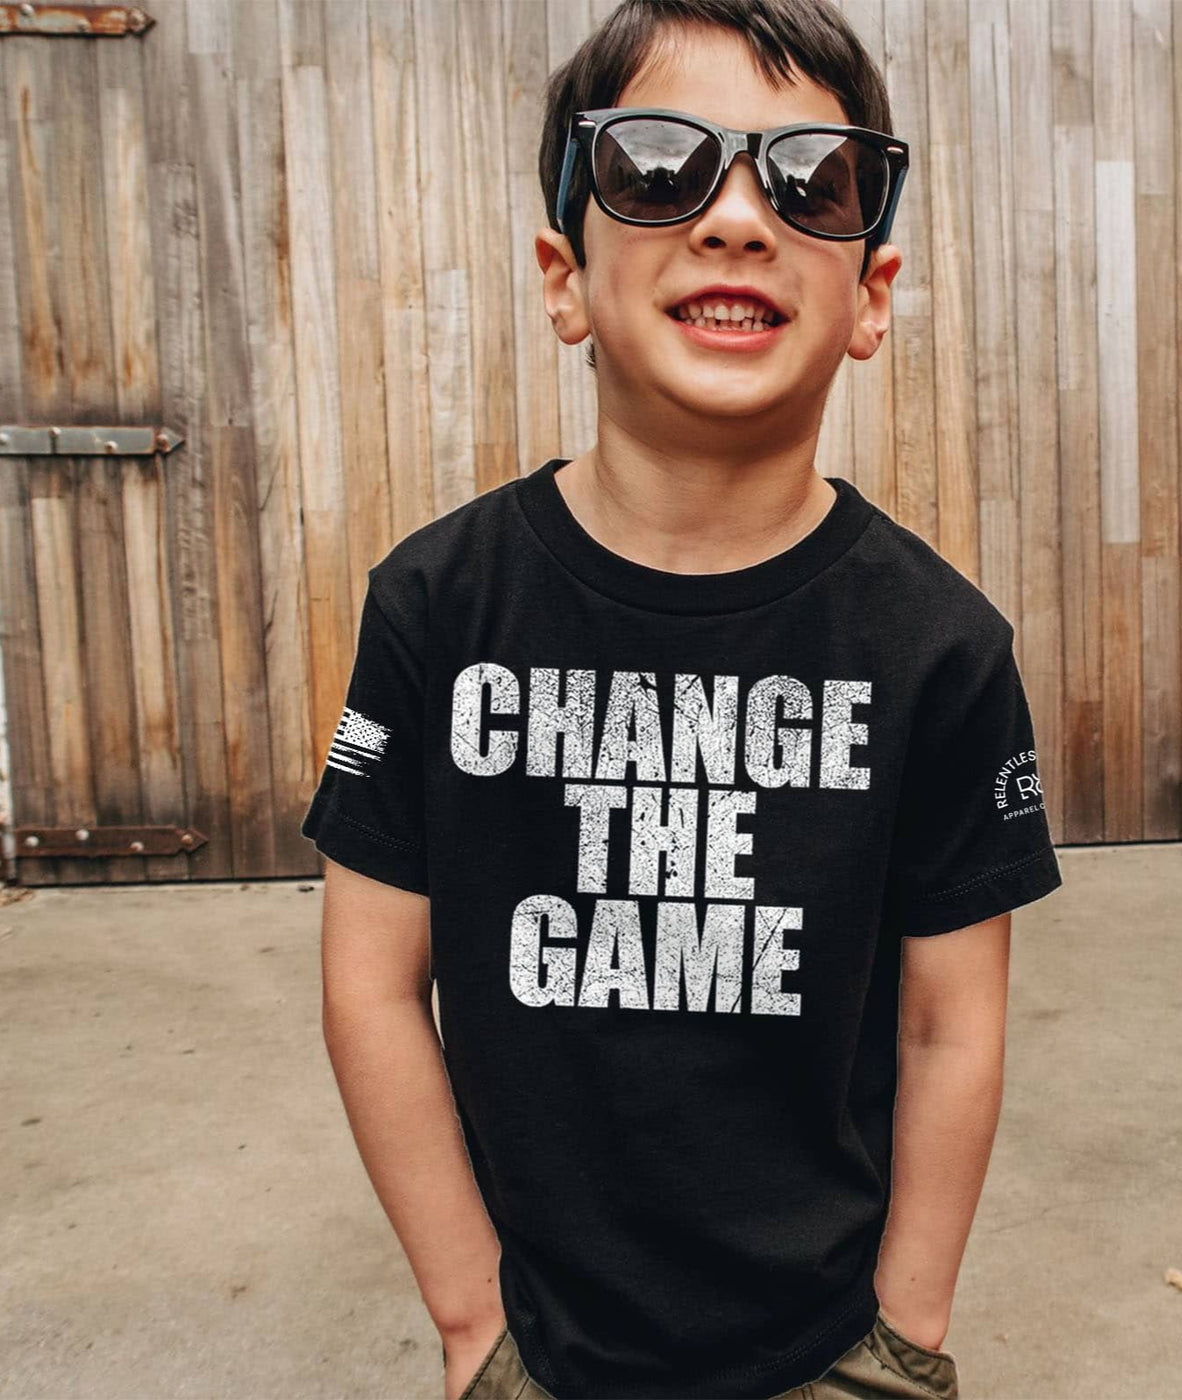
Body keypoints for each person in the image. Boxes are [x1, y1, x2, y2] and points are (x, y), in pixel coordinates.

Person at [302, 2, 1064, 1397]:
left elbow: (951, 1024)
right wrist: (474, 1327)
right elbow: (372, 984)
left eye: (808, 182)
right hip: (541, 1348)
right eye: (658, 168)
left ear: (871, 296)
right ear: (564, 278)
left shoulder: (939, 649)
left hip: (828, 1347)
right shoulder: (438, 607)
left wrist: (903, 1335)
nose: (735, 219)